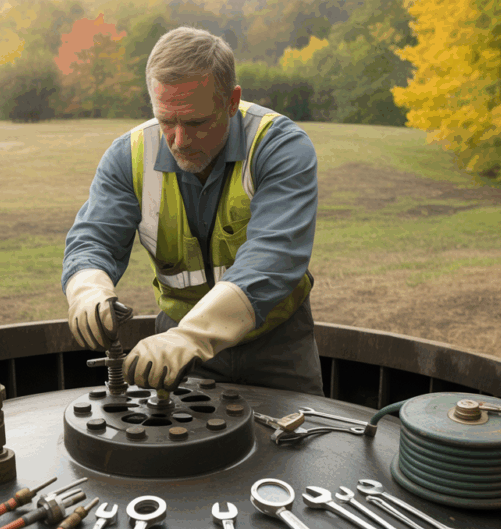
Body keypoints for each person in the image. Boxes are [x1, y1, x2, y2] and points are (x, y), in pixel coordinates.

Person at [62, 26, 323, 396]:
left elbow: (273, 259)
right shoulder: (129, 156)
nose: (179, 141)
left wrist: (190, 337)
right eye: (167, 121)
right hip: (177, 342)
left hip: (276, 344)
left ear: (232, 101)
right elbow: (93, 238)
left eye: (196, 122)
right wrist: (87, 288)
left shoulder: (279, 147)